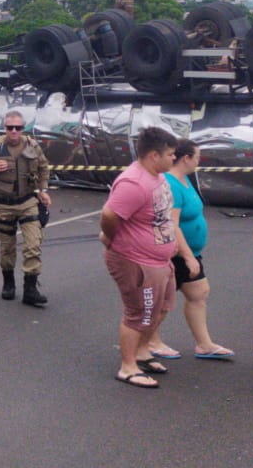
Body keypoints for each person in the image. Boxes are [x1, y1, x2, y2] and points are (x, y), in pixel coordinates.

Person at [99, 126, 179, 389]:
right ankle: (128, 367)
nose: (174, 159)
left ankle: (143, 352)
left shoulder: (158, 176)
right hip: (136, 260)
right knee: (139, 313)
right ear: (154, 155)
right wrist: (111, 240)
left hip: (160, 260)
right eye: (170, 154)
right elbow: (109, 216)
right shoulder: (134, 182)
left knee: (161, 308)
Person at [147, 139, 235, 361]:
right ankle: (150, 340)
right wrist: (187, 256)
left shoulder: (184, 179)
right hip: (174, 253)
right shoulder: (171, 184)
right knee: (162, 302)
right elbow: (172, 224)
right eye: (197, 157)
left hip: (189, 251)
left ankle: (204, 344)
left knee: (198, 292)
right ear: (186, 158)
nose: (199, 161)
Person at [0, 110, 52, 307]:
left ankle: (30, 289)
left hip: (28, 202)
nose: (14, 131)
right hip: (3, 204)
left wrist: (44, 190)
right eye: (9, 128)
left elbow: (43, 167)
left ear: (23, 128)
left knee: (33, 244)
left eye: (18, 128)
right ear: (4, 128)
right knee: (7, 248)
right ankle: (8, 283)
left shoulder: (32, 145)